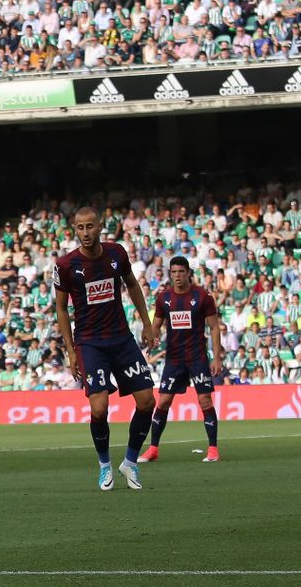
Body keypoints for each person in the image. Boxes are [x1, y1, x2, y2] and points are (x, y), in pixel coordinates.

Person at [52, 208, 159, 490]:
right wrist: (71, 351)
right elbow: (61, 309)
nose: (85, 233)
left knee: (148, 401)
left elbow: (133, 285)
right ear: (74, 230)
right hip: (89, 343)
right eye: (80, 228)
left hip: (121, 339)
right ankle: (104, 466)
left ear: (100, 227)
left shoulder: (116, 253)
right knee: (99, 409)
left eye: (90, 227)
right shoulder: (66, 265)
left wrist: (147, 324)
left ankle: (130, 462)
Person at [143, 256, 224, 463]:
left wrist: (217, 358)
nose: (177, 276)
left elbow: (214, 327)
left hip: (197, 357)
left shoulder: (202, 296)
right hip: (174, 358)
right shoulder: (164, 298)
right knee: (164, 401)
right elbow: (156, 324)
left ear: (188, 273)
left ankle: (213, 449)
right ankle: (153, 449)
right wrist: (152, 335)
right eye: (173, 272)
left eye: (181, 272)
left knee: (204, 400)